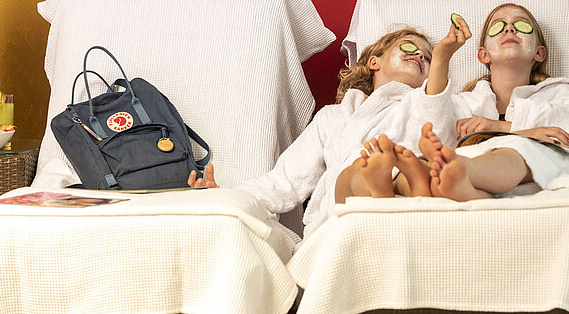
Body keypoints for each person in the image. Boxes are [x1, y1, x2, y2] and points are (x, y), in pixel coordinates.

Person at [187, 20, 470, 237]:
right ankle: (370, 191)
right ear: (374, 62)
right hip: (336, 216)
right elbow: (284, 182)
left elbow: (438, 134)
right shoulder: (333, 117)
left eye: (428, 57)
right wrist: (226, 196)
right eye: (409, 48)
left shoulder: (426, 103)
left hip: (406, 195)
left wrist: (442, 61)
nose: (420, 56)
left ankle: (385, 193)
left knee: (416, 165)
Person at [418, 2, 569, 201]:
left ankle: (464, 168)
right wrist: (441, 58)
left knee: (519, 148)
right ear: (484, 55)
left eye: (522, 25)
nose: (509, 28)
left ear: (539, 53)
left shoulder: (562, 93)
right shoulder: (466, 103)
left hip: (536, 177)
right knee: (455, 167)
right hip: (480, 183)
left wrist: (501, 127)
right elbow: (435, 126)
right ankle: (465, 188)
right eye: (498, 26)